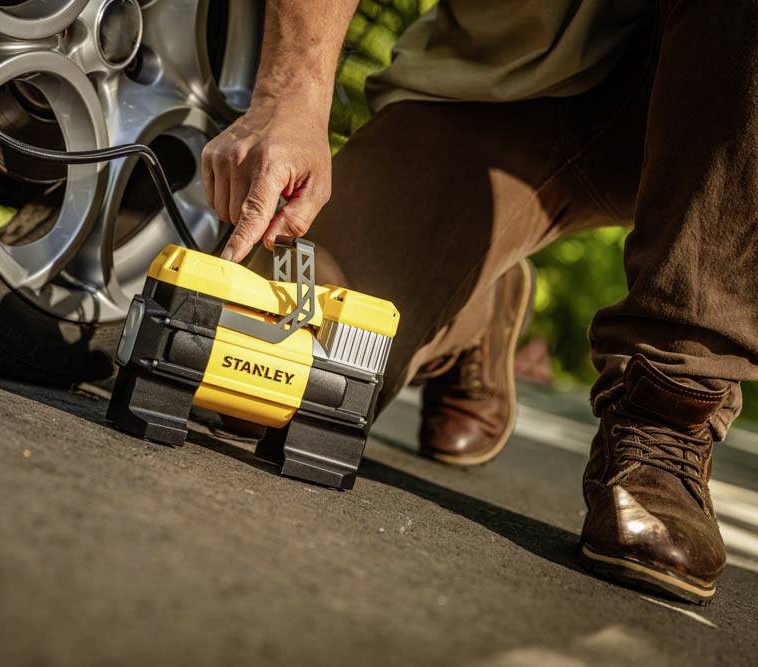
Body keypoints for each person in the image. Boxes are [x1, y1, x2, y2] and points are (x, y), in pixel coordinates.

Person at [201, 0, 758, 604]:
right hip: (495, 89)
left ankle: (667, 420)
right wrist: (291, 96)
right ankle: (482, 311)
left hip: (725, 106)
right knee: (272, 383)